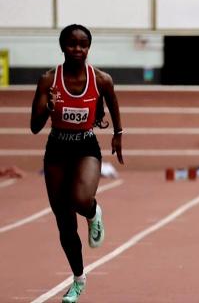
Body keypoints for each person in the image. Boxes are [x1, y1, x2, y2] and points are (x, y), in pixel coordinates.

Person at [30, 24, 124, 303]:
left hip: (85, 145)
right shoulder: (48, 80)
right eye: (72, 44)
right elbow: (34, 127)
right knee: (65, 222)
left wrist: (118, 135)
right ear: (62, 47)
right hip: (57, 148)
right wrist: (46, 109)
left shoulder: (101, 79)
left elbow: (114, 104)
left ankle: (94, 213)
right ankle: (78, 280)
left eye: (83, 45)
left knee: (81, 199)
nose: (78, 49)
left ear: (89, 48)